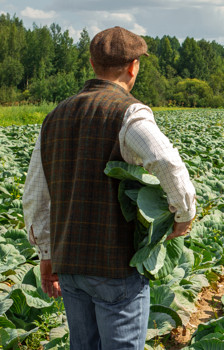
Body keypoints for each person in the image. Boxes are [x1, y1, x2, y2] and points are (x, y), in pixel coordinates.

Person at [23, 26, 196, 349]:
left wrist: (46, 253)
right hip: (113, 265)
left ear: (92, 64)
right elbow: (166, 162)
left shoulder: (54, 117)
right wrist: (183, 213)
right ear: (133, 66)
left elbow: (36, 194)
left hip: (70, 263)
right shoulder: (128, 113)